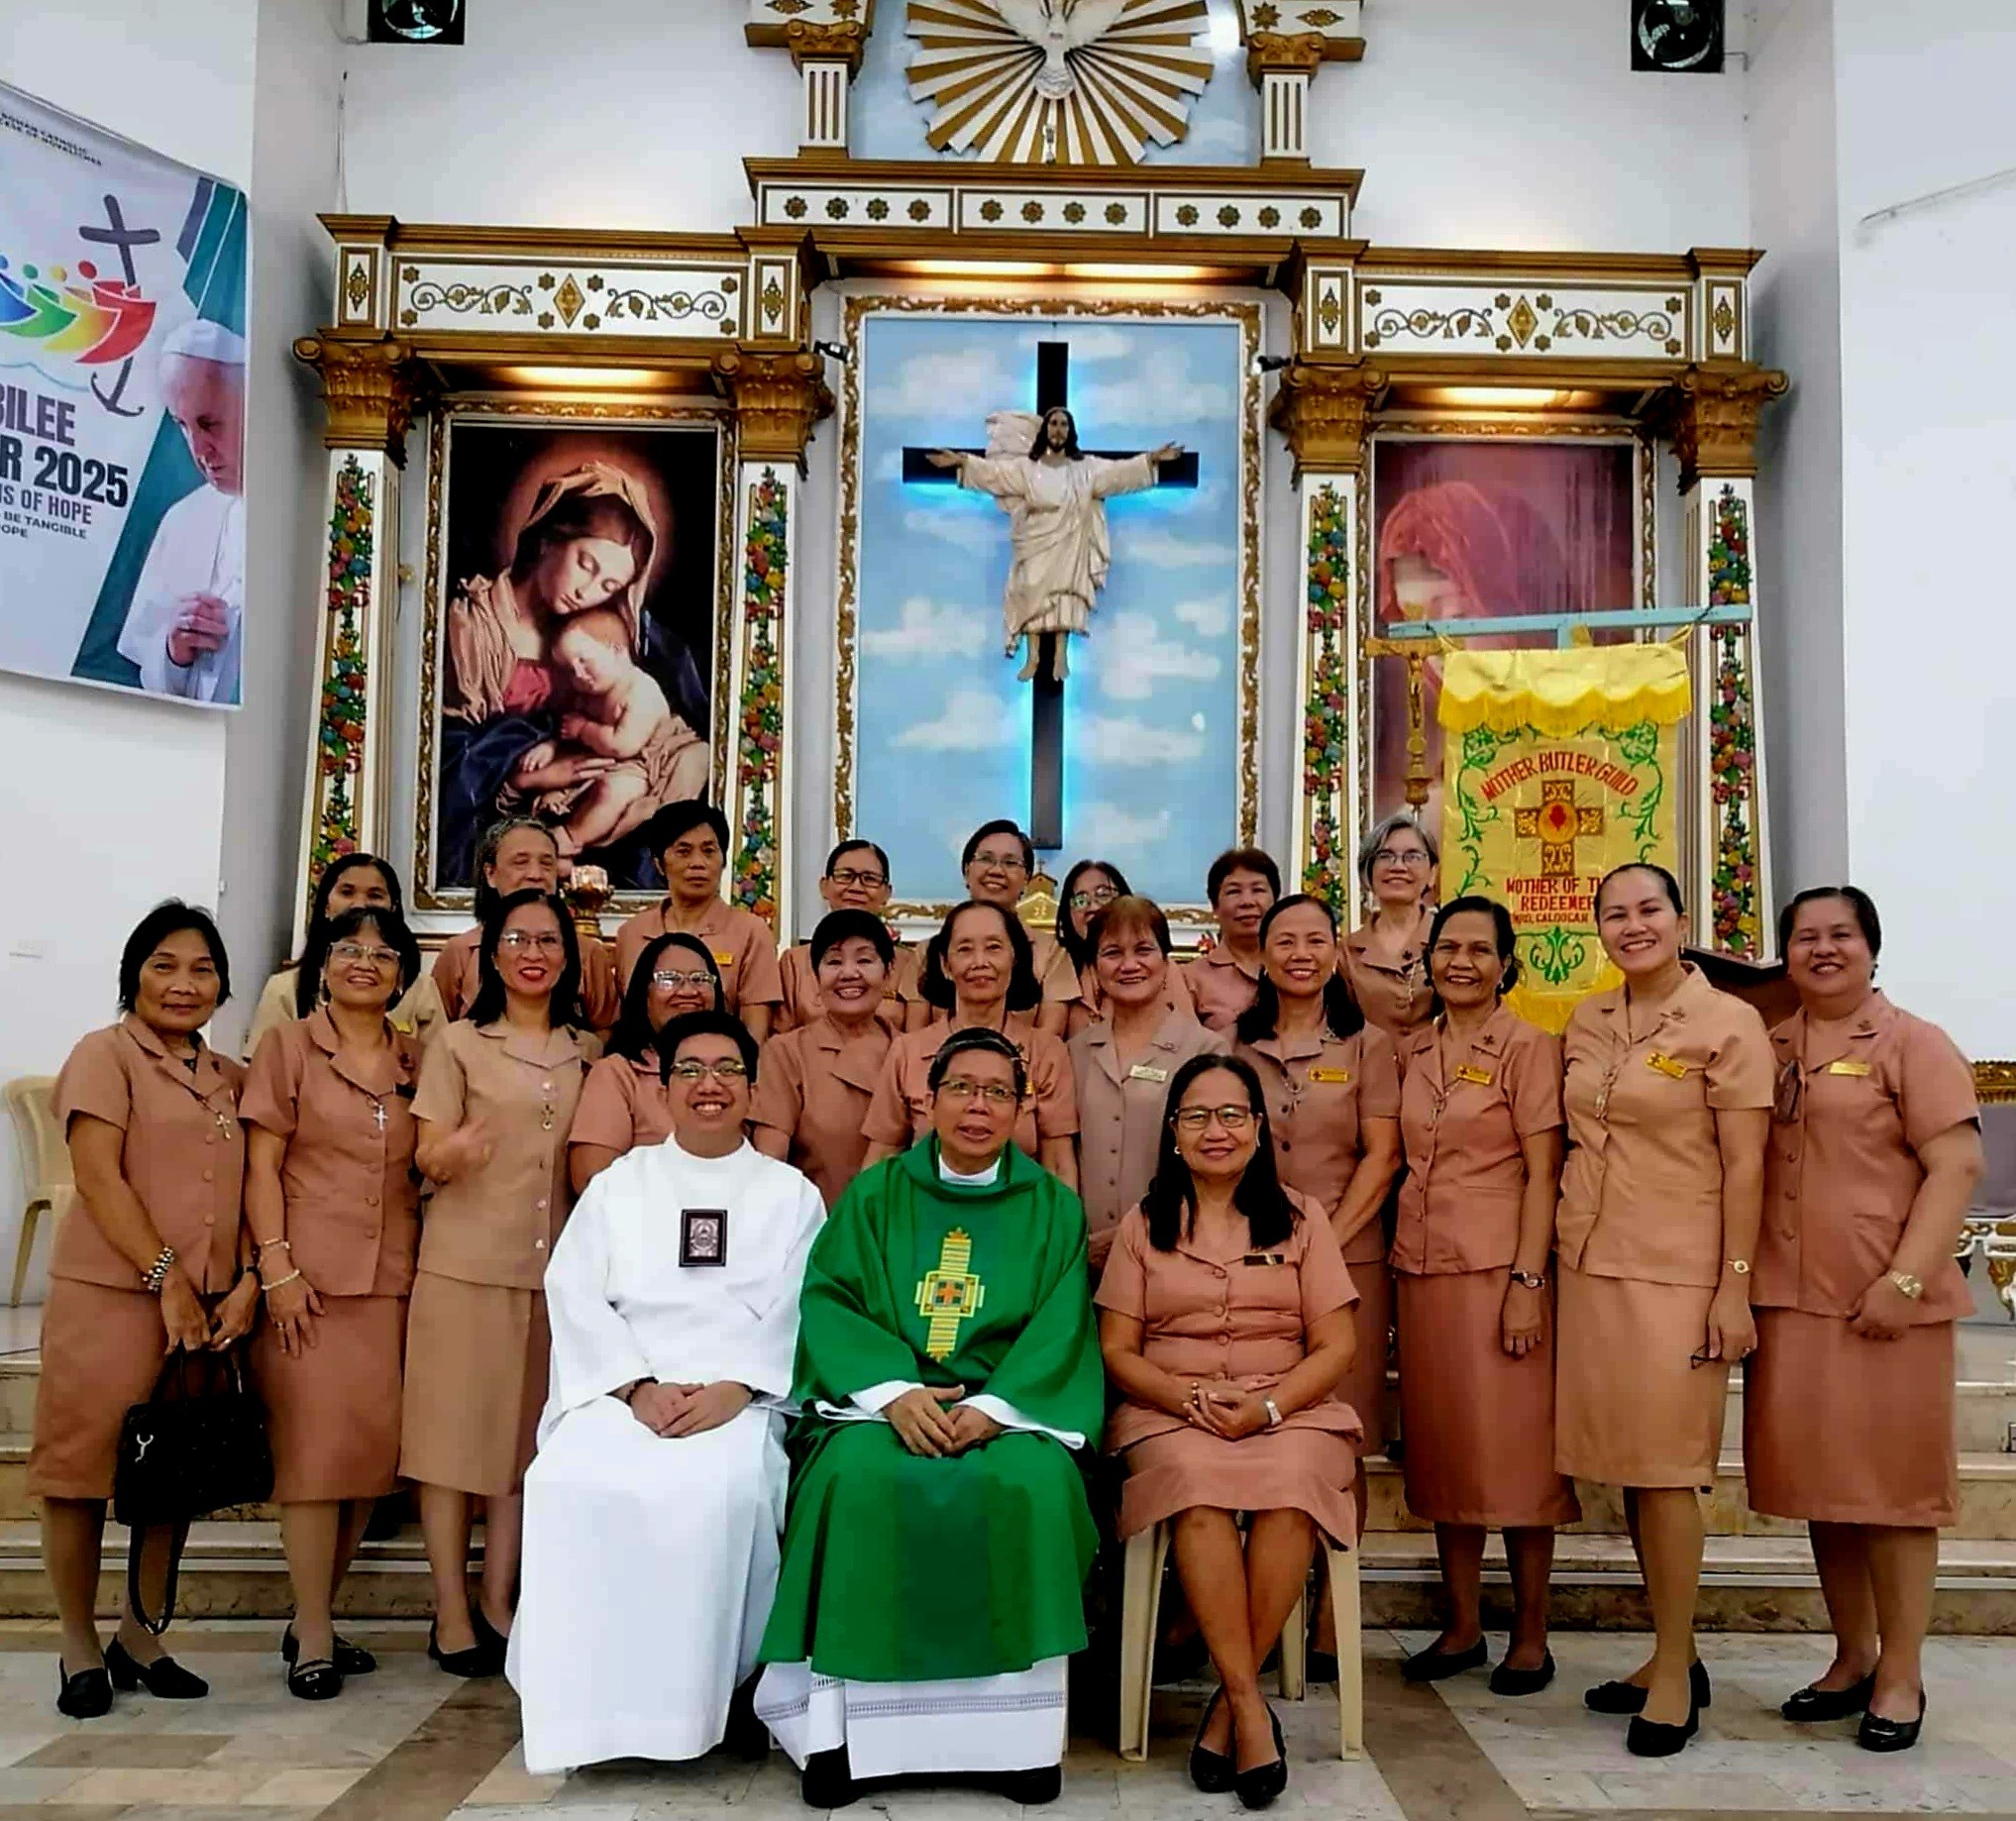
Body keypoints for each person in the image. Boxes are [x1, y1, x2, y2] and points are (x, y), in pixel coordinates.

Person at [755, 1029, 1105, 1809]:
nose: (978, 1107)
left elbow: (1061, 1327)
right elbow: (830, 1300)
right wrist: (891, 1392)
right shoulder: (874, 1196)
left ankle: (1014, 1750)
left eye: (997, 1093)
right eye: (962, 1089)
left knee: (1032, 1487)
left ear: (1021, 1108)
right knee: (853, 1481)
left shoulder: (1053, 1207)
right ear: (928, 1099)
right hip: (882, 1410)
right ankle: (846, 1747)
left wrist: (991, 1408)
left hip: (1009, 1414)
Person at [510, 1012, 825, 1772]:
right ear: (663, 1085)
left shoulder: (791, 1195)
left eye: (726, 1070)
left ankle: (711, 1703)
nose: (708, 1085)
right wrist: (632, 1386)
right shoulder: (622, 1183)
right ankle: (582, 1716)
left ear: (752, 1087)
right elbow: (575, 1291)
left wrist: (739, 1386)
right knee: (566, 1480)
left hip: (736, 1396)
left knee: (724, 1492)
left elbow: (803, 1305)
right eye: (690, 1070)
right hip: (628, 1391)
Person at [1747, 888, 1982, 1754]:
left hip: (1885, 1307)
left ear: (1871, 948)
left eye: (1839, 935)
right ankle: (1849, 1656)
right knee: (1827, 1492)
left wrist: (1907, 1281)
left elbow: (1955, 1163)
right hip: (1793, 1302)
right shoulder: (1766, 1045)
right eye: (1803, 937)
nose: (1821, 949)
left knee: (1892, 1498)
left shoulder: (1912, 1042)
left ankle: (1901, 1672)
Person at [1098, 1054, 1360, 1808]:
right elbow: (1118, 1350)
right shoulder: (1143, 1226)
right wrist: (1186, 1399)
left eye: (1232, 1115)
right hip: (1170, 1407)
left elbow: (1335, 1346)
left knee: (1291, 1488)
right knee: (1196, 1488)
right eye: (1196, 1116)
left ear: (1258, 1127)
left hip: (1291, 1406)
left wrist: (1270, 1406)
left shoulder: (1302, 1217)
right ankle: (1248, 1707)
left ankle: (1226, 1708)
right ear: (1172, 1132)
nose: (1215, 1131)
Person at [1556, 863, 1771, 1757]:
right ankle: (1662, 1648)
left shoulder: (1728, 1021)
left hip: (1679, 1272)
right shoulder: (1588, 1017)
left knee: (1671, 1469)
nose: (1631, 925)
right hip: (1589, 1263)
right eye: (1614, 914)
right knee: (1628, 1469)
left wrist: (1733, 1284)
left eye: (1648, 909)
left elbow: (1747, 1167)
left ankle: (1678, 1671)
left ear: (1680, 920)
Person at [35, 904, 261, 1717]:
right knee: (80, 1472)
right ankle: (77, 1642)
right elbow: (99, 1176)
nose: (183, 984)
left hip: (200, 1310)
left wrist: (239, 1283)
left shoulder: (230, 1077)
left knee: (169, 1469)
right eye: (164, 965)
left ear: (222, 986)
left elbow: (248, 1191)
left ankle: (141, 1632)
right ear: (133, 973)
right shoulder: (103, 1056)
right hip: (111, 1298)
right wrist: (163, 1273)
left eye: (201, 970)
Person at [405, 889, 592, 1677]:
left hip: (555, 1276)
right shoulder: (458, 1043)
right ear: (491, 953)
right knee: (451, 1446)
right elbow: (425, 1156)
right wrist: (457, 1152)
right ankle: (450, 1609)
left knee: (522, 1447)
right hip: (463, 1267)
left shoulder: (587, 1048)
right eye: (516, 938)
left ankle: (498, 1598)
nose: (533, 953)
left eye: (548, 940)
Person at [240, 905, 425, 1700]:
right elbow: (260, 1164)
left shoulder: (418, 1059)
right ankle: (312, 1629)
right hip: (306, 1286)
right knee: (313, 1464)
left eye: (383, 953)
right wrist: (274, 1265)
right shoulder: (287, 1048)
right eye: (349, 949)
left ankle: (315, 1613)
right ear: (320, 963)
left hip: (394, 1282)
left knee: (365, 1466)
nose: (365, 963)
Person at [1391, 898, 1574, 1693]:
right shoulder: (1412, 1051)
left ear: (1507, 964)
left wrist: (1527, 1282)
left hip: (1501, 1273)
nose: (1459, 962)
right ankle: (1461, 1625)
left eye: (1478, 950)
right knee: (1447, 1455)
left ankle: (1529, 1632)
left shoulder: (1529, 1050)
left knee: (1520, 1460)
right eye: (1446, 947)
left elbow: (1544, 1172)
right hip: (1422, 1273)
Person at [439, 461, 705, 888]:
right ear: (548, 540)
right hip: (506, 811)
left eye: (610, 585)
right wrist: (529, 776)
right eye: (586, 564)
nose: (589, 591)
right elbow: (449, 760)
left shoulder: (603, 640)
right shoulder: (473, 626)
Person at [1235, 895, 1401, 1531]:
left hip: (1347, 1259)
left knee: (1341, 1432)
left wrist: (1322, 1240)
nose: (1300, 954)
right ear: (1264, 955)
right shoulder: (1239, 1046)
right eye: (1285, 941)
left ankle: (1336, 1621)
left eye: (1314, 940)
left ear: (1336, 952)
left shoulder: (1369, 1044)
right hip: (1253, 1259)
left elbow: (1382, 1157)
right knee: (1260, 1425)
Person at [926, 406, 1183, 683]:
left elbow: (1119, 474)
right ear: (1045, 429)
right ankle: (1033, 656)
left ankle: (1061, 654)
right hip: (1035, 539)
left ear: (1070, 431)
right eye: (1053, 424)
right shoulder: (1027, 468)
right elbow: (996, 474)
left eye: (1063, 424)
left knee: (1064, 595)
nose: (1058, 429)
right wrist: (963, 462)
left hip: (1069, 541)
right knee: (1028, 588)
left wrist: (1150, 460)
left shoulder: (1086, 469)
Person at [861, 901, 1079, 1186]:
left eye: (994, 947)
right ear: (946, 965)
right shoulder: (907, 1051)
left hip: (1019, 1221)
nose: (980, 962)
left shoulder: (1047, 1052)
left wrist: (1064, 1229)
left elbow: (1058, 1164)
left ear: (1014, 959)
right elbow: (880, 1161)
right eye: (964, 949)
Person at [1067, 897, 1225, 1269]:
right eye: (1112, 953)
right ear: (1093, 967)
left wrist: (1135, 1234)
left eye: (1143, 950)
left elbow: (1215, 1162)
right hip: (1082, 1257)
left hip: (1178, 1251)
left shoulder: (1205, 1050)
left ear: (1167, 960)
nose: (1129, 965)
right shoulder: (1076, 1053)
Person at [505, 606, 708, 857]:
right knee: (555, 792)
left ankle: (571, 838)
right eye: (569, 669)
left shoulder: (640, 690)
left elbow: (624, 745)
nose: (578, 674)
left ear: (616, 651)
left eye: (583, 661)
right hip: (607, 756)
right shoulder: (589, 692)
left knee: (613, 793)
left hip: (647, 761)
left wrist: (584, 729)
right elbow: (568, 729)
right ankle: (555, 834)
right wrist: (550, 747)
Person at [115, 320, 245, 703]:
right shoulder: (184, 517)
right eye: (182, 426)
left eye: (209, 423)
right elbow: (153, 681)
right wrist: (175, 653)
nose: (199, 450)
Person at [752, 910, 898, 1208]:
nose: (849, 973)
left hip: (900, 1230)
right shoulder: (787, 1052)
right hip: (815, 1227)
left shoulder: (909, 1053)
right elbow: (769, 1162)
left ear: (888, 972)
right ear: (816, 978)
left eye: (865, 960)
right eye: (834, 961)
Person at [612, 802, 783, 1040]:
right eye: (683, 851)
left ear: (723, 861)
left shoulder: (751, 932)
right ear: (658, 864)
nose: (698, 863)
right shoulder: (632, 934)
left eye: (709, 851)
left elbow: (756, 1031)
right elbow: (625, 1022)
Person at [244, 853, 443, 1056]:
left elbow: (439, 1070)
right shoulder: (285, 988)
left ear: (393, 907)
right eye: (347, 892)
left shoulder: (421, 989)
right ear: (325, 906)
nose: (359, 905)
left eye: (375, 895)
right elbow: (260, 1070)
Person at [568, 932, 722, 1192]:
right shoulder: (617, 1073)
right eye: (669, 979)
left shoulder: (739, 1071)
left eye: (700, 979)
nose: (687, 991)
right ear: (644, 993)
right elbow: (591, 1180)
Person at [433, 817, 620, 1030]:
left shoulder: (587, 953)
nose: (535, 875)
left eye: (546, 864)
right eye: (521, 863)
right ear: (491, 873)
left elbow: (607, 1032)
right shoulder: (459, 953)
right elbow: (436, 1034)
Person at [775, 840, 922, 1033]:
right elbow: (779, 1038)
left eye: (869, 879)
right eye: (845, 876)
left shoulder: (909, 964)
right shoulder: (793, 962)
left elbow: (917, 1044)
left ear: (887, 892)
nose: (856, 887)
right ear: (824, 886)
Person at [959, 819, 1076, 1035]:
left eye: (1011, 863)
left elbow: (1048, 1038)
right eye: (986, 859)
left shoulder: (1052, 954)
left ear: (1026, 879)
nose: (996, 870)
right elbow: (918, 1040)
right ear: (967, 871)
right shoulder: (930, 951)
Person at [1057, 859, 1195, 1036]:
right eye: (1080, 899)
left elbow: (1189, 1039)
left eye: (1103, 894)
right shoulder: (1060, 966)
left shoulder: (1159, 968)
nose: (1092, 906)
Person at [1344, 812, 1439, 1036]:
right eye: (1385, 856)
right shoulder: (1346, 952)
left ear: (1432, 873)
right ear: (1367, 871)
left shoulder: (1451, 940)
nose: (1398, 866)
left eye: (1413, 856)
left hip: (1439, 1069)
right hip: (1369, 1068)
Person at [1187, 849, 1280, 1034]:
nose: (1247, 901)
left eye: (1258, 890)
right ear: (1214, 906)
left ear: (1276, 901)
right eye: (1234, 891)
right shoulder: (1189, 979)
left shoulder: (1296, 968)